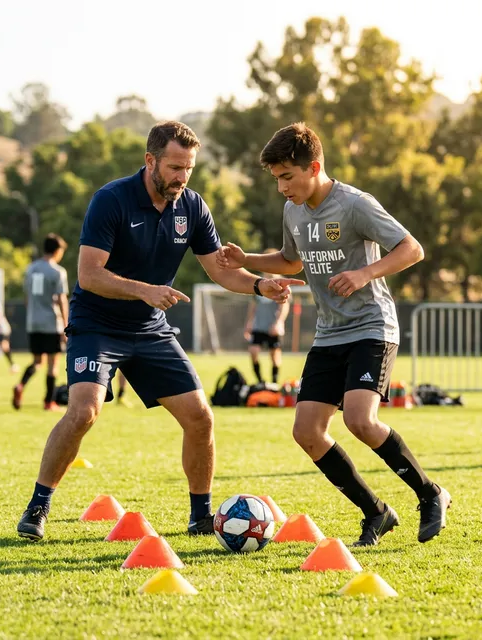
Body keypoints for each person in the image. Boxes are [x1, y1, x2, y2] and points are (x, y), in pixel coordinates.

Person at [17, 121, 303, 541]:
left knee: (200, 417)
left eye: (188, 169)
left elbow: (220, 271)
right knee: (83, 411)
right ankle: (38, 507)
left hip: (150, 330)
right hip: (97, 324)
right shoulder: (111, 200)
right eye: (173, 167)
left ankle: (200, 516)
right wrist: (145, 290)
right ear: (150, 161)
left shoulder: (192, 206)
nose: (181, 177)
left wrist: (260, 285)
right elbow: (89, 275)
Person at [217, 122, 451, 546]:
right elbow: (291, 261)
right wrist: (245, 259)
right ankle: (376, 512)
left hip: (372, 326)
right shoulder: (293, 209)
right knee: (306, 432)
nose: (281, 188)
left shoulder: (355, 204)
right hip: (329, 334)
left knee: (361, 420)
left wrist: (365, 273)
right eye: (276, 179)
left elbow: (411, 248)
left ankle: (430, 493)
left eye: (287, 176)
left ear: (314, 167)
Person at [12, 234, 69, 412]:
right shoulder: (57, 271)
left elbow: (27, 298)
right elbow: (61, 299)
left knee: (37, 361)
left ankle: (21, 384)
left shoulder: (31, 269)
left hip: (33, 321)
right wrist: (66, 324)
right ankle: (48, 402)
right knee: (53, 363)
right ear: (57, 251)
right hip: (51, 322)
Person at [244, 249, 289, 384]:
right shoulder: (258, 283)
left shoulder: (280, 284)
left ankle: (274, 383)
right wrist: (249, 323)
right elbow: (253, 306)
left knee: (274, 355)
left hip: (272, 327)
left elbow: (284, 306)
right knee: (253, 351)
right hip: (259, 326)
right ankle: (260, 381)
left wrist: (278, 323)